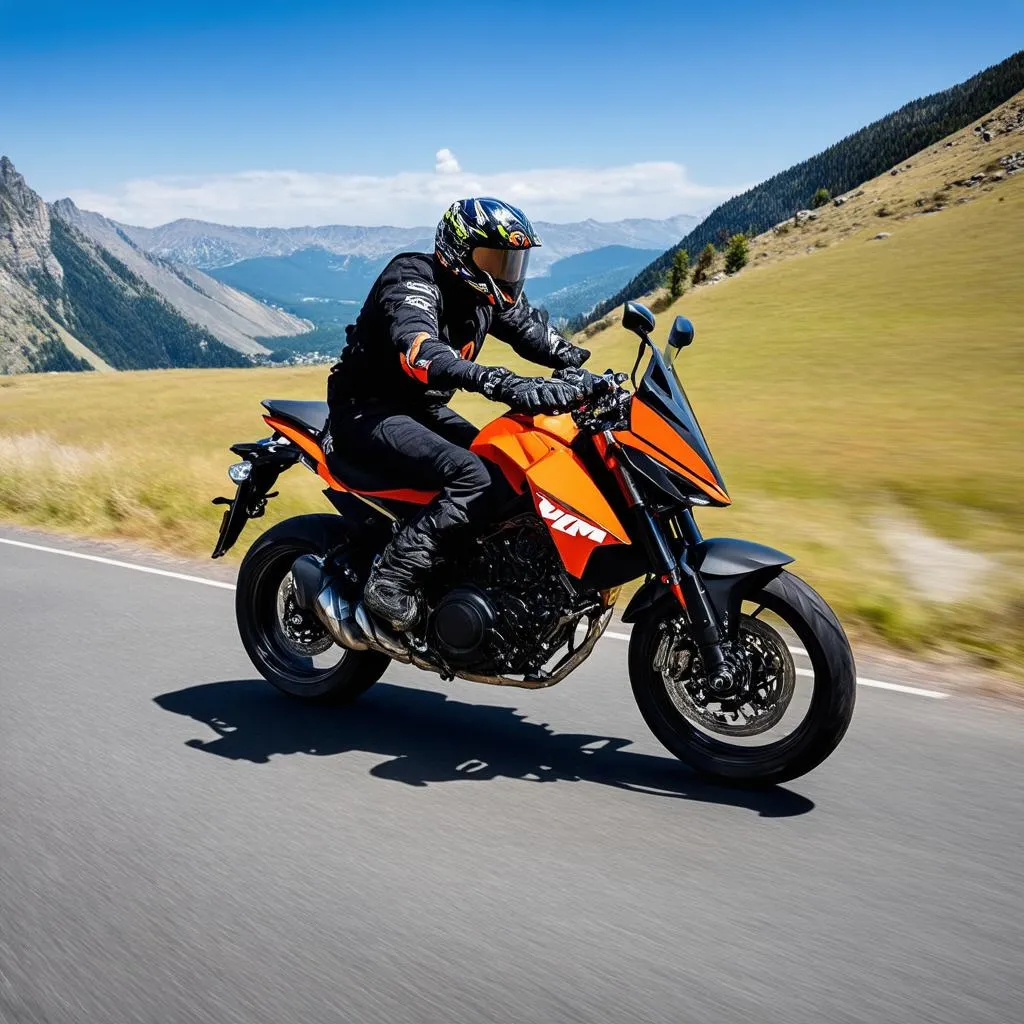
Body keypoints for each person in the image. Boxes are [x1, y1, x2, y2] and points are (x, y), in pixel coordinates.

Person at [326, 197, 599, 632]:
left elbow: (536, 334)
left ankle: (475, 580)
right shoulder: (412, 279)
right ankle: (390, 580)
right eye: (494, 258)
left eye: (513, 261)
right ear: (458, 250)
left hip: (421, 409)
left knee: (506, 466)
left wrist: (590, 372)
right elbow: (421, 350)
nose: (506, 271)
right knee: (472, 475)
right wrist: (502, 382)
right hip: (367, 411)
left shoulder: (486, 294)